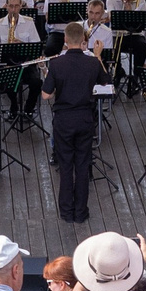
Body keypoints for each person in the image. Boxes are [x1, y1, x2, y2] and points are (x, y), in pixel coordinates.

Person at [43, 21, 104, 223]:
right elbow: (107, 82)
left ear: (65, 40)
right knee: (83, 164)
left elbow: (45, 95)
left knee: (66, 165)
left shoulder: (57, 63)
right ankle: (81, 212)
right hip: (85, 118)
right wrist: (98, 56)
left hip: (64, 119)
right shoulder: (93, 62)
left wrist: (47, 74)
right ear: (83, 41)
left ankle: (66, 212)